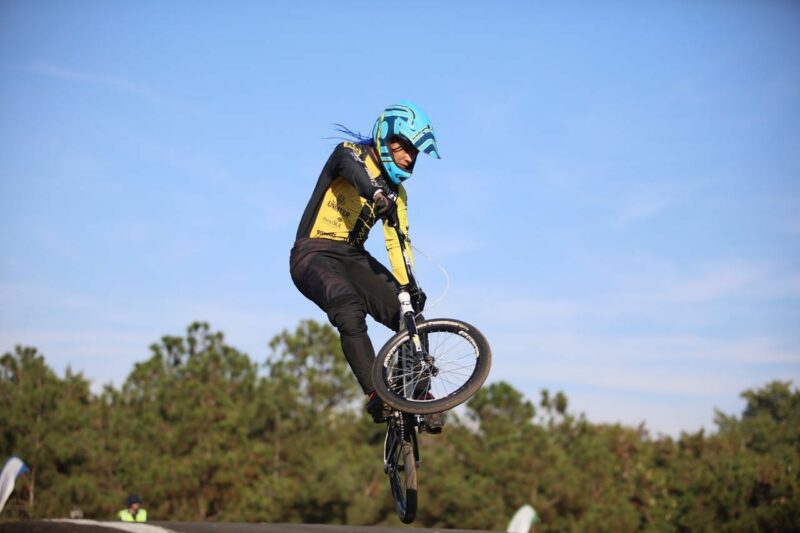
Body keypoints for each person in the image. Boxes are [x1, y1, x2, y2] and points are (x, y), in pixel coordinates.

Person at [290, 101, 444, 432]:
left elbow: (397, 243)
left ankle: (417, 392)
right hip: (313, 253)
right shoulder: (348, 154)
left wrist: (408, 288)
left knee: (412, 315)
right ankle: (377, 393)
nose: (409, 158)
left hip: (353, 257)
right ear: (385, 137)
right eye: (404, 148)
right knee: (347, 304)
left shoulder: (398, 193)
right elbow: (354, 171)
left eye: (415, 153)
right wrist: (375, 194)